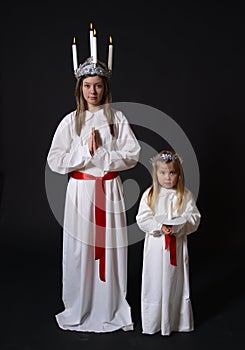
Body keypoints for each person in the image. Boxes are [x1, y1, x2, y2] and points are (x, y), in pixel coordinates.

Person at [47, 48, 141, 332]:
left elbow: (133, 154)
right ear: (80, 88)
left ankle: (108, 304)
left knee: (110, 248)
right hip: (81, 192)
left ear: (105, 87)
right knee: (80, 249)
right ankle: (79, 304)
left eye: (98, 85)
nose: (93, 91)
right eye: (87, 86)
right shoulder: (70, 121)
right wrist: (84, 153)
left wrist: (102, 155)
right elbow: (55, 160)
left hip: (109, 191)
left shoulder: (117, 119)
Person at [136, 150, 201, 336]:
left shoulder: (185, 195)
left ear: (178, 174)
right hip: (156, 247)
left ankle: (176, 321)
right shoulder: (150, 195)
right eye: (163, 173)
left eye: (172, 173)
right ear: (156, 174)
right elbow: (142, 218)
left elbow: (194, 217)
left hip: (177, 247)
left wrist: (178, 227)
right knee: (155, 281)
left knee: (175, 280)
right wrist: (159, 226)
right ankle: (154, 322)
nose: (167, 177)